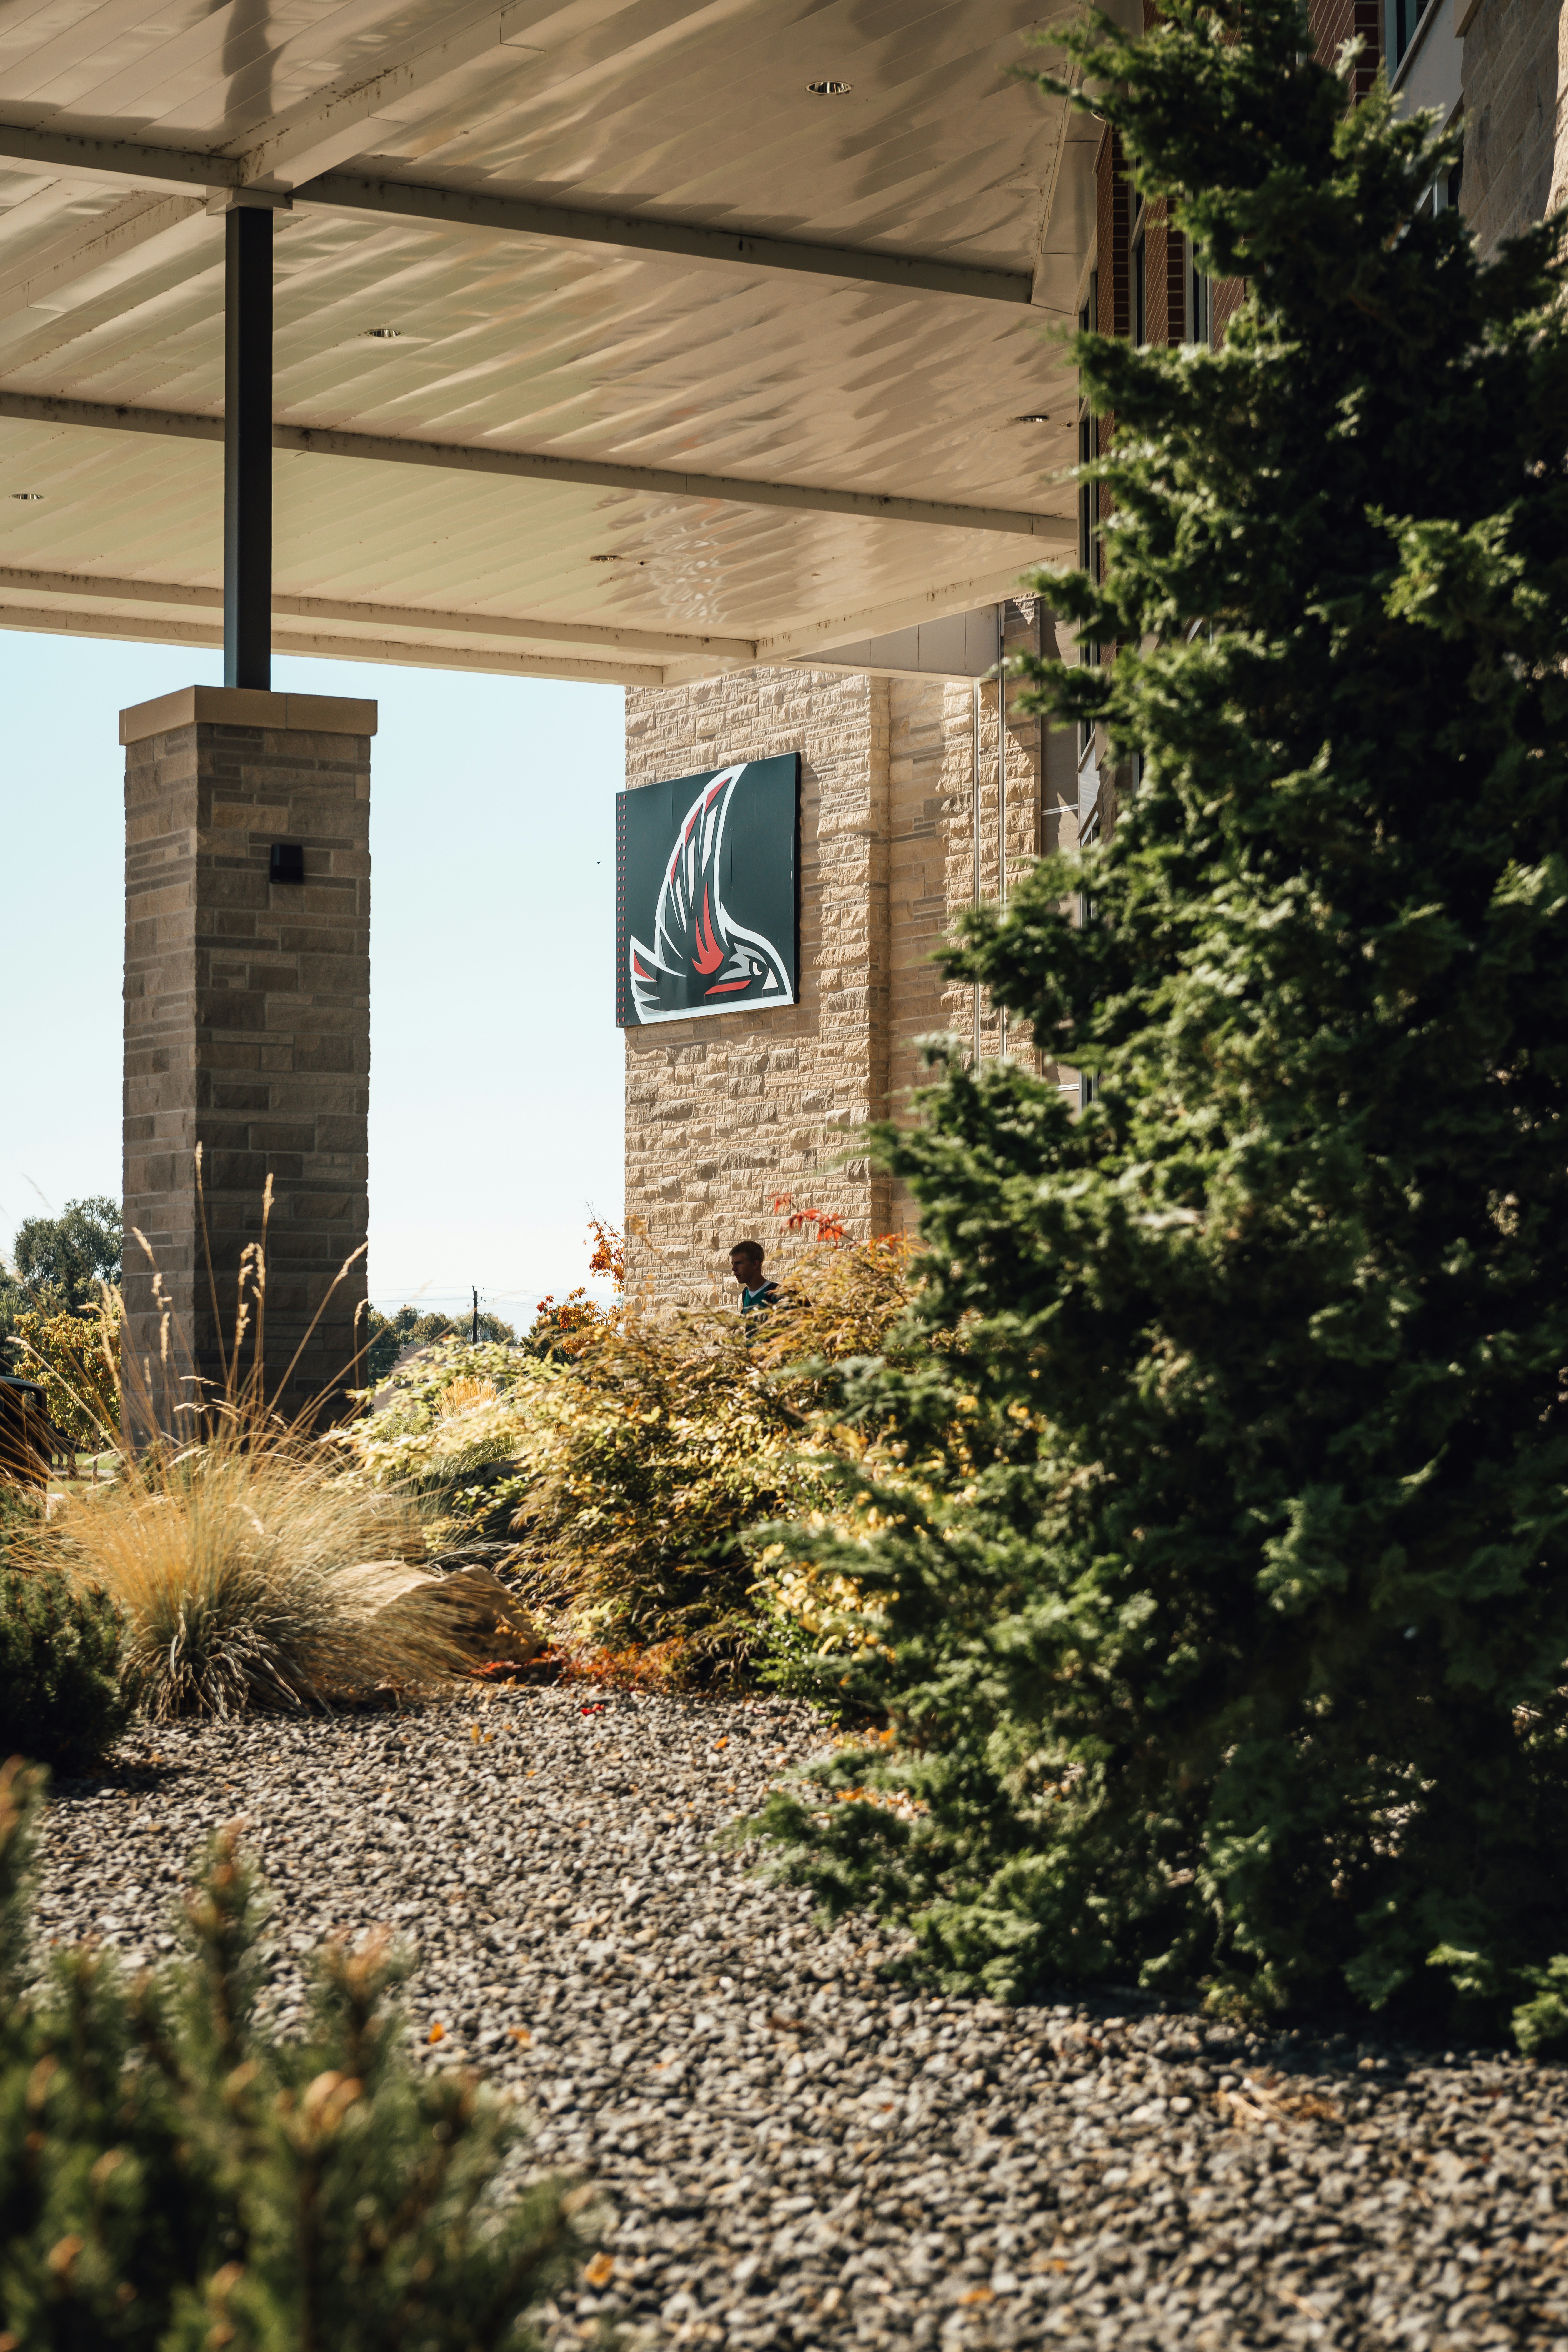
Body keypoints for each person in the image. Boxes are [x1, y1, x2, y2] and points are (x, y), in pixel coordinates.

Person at [729, 1240, 779, 1316]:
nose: (734, 1269)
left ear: (755, 1264)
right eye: (733, 1264)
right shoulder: (746, 1293)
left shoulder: (777, 1293)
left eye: (739, 1263)